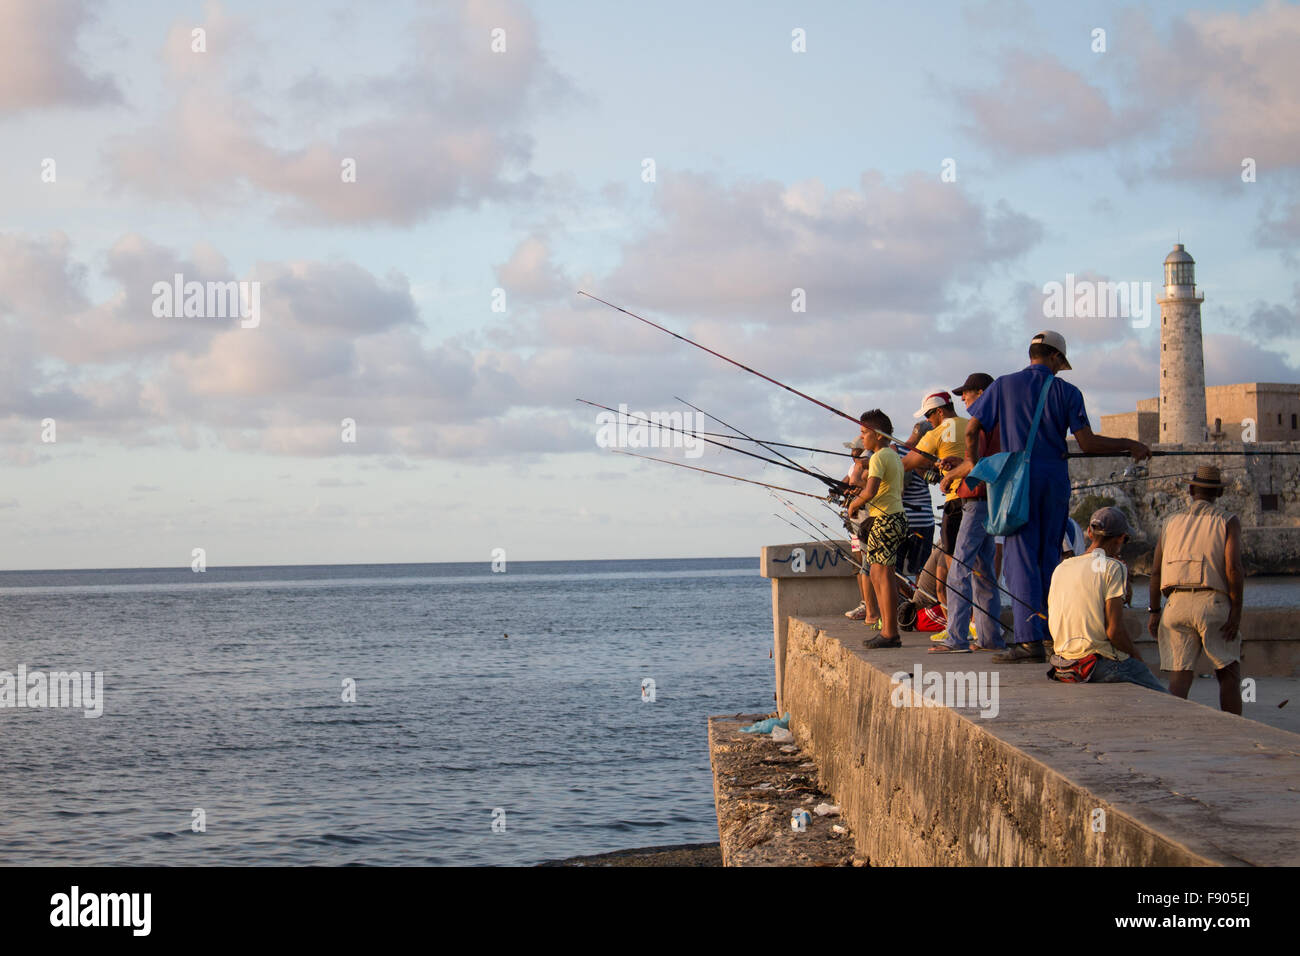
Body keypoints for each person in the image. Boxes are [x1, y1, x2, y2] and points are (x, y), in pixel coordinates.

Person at [948, 331, 1150, 663]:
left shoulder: (1003, 385)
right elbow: (1088, 443)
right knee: (1049, 559)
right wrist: (1130, 444)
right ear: (1055, 358)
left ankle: (1029, 640)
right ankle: (1050, 634)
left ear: (1032, 355)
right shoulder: (1067, 392)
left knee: (1020, 559)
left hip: (1018, 483)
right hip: (1054, 480)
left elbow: (972, 429)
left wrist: (973, 462)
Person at [1147, 466, 1245, 714]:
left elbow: (1155, 571)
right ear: (1218, 494)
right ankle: (1234, 732)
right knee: (1228, 673)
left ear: (1191, 490)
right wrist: (1236, 612)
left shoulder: (1170, 522)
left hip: (1174, 605)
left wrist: (1154, 611)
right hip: (1212, 603)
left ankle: (1176, 728)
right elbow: (1233, 568)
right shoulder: (1227, 521)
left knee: (1179, 676)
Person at [1045, 507, 1166, 692]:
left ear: (1089, 533)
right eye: (1125, 539)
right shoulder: (1113, 567)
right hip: (1097, 664)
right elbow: (1114, 632)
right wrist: (1136, 656)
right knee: (1163, 696)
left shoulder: (1061, 568)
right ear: (1120, 538)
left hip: (1063, 665)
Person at [931, 373, 1002, 653]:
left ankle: (956, 638)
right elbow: (985, 461)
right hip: (990, 501)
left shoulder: (980, 422)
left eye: (968, 393)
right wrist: (959, 462)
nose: (963, 399)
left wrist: (951, 477)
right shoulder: (998, 422)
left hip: (975, 500)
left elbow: (975, 466)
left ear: (982, 393)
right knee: (984, 572)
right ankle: (989, 639)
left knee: (959, 569)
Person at [902, 391, 967, 620]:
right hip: (979, 501)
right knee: (976, 567)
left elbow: (907, 463)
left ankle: (960, 627)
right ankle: (977, 624)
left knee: (955, 569)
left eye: (930, 414)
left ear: (940, 411)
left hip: (955, 504)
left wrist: (880, 466)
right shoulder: (970, 425)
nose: (928, 420)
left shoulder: (939, 432)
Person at [847, 410, 908, 649]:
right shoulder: (893, 457)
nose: (862, 439)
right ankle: (887, 629)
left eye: (864, 433)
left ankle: (889, 632)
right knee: (878, 573)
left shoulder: (879, 457)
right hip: (894, 516)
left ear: (878, 435)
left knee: (882, 574)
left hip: (885, 519)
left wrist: (854, 504)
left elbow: (870, 491)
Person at [896, 420, 936, 581]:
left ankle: (898, 604)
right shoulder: (927, 455)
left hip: (899, 517)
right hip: (923, 520)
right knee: (921, 568)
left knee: (895, 567)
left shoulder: (894, 449)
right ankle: (919, 604)